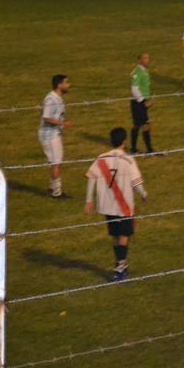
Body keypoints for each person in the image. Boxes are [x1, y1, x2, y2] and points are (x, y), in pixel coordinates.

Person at [85, 127, 148, 282]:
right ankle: (120, 267)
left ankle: (120, 263)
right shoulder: (128, 160)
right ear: (124, 141)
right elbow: (136, 183)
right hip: (123, 204)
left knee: (115, 235)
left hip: (107, 204)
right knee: (124, 235)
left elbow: (91, 177)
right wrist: (143, 194)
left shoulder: (101, 158)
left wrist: (89, 200)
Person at [39, 74, 72, 198]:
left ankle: (53, 187)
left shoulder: (57, 98)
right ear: (59, 85)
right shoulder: (51, 99)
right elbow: (46, 118)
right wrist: (63, 123)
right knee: (56, 163)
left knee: (57, 162)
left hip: (54, 133)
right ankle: (57, 192)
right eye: (66, 82)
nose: (69, 85)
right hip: (49, 135)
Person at [129, 52, 156, 155]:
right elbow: (134, 89)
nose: (147, 60)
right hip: (138, 102)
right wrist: (143, 102)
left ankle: (134, 149)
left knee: (138, 125)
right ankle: (149, 150)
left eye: (148, 58)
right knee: (144, 125)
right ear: (139, 60)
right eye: (144, 58)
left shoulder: (144, 71)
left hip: (141, 102)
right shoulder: (138, 72)